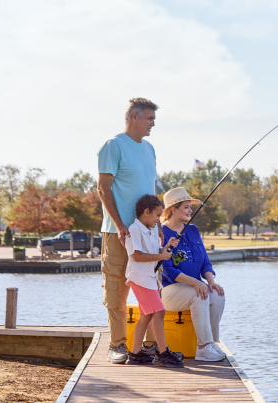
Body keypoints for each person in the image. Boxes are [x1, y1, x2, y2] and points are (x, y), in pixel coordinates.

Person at [97, 98, 163, 364]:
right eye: (149, 118)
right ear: (134, 117)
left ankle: (146, 345)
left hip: (146, 233)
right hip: (117, 234)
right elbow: (104, 189)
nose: (152, 124)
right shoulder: (113, 146)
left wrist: (157, 225)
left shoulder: (149, 149)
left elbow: (151, 191)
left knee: (149, 288)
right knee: (116, 291)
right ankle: (117, 345)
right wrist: (120, 225)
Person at [160, 187, 226, 361]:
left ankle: (212, 343)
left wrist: (210, 282)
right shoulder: (161, 233)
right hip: (169, 291)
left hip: (195, 286)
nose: (190, 210)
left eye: (191, 207)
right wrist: (196, 283)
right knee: (200, 294)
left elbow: (205, 262)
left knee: (217, 294)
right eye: (186, 207)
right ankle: (203, 348)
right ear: (173, 209)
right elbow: (168, 270)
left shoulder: (193, 230)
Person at [124, 195, 183, 367]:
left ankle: (135, 354)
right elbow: (136, 255)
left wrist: (167, 247)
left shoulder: (150, 230)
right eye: (157, 215)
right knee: (159, 311)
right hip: (140, 279)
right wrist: (161, 255)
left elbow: (154, 252)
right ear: (146, 212)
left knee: (147, 315)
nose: (158, 220)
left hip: (148, 279)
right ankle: (163, 353)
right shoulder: (134, 230)